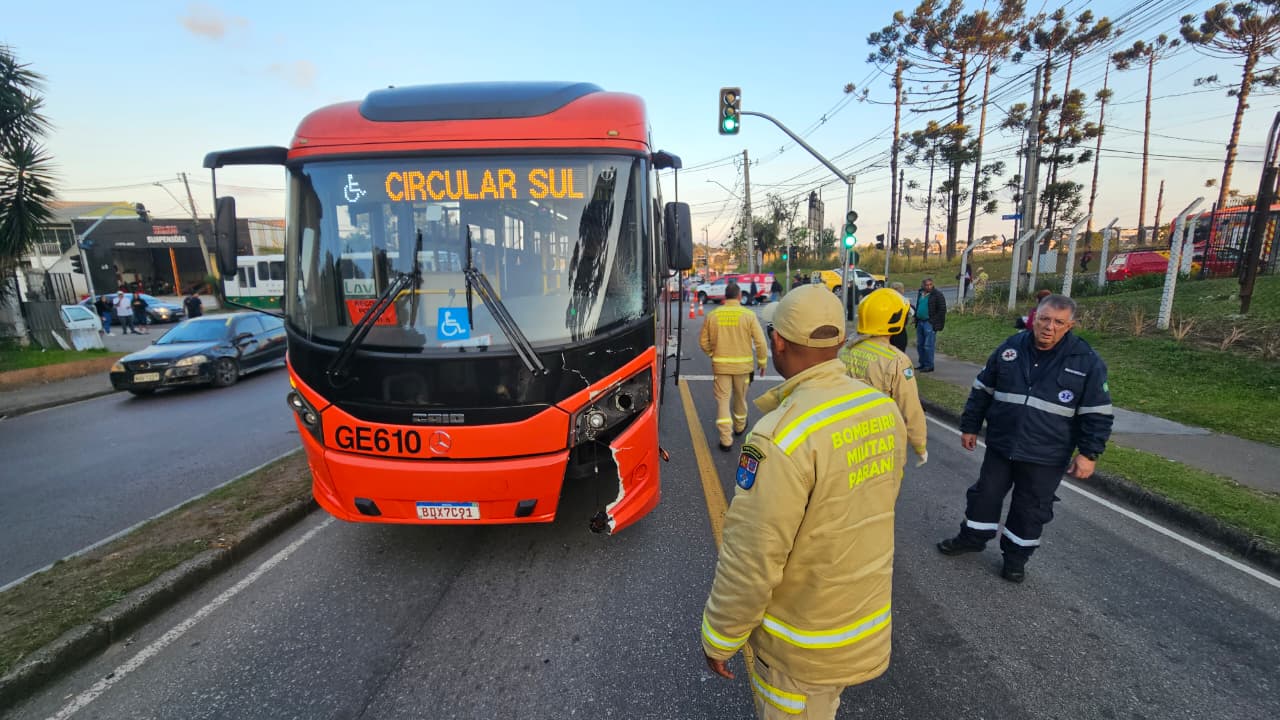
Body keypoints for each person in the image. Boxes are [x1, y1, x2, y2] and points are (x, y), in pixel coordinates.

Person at [700, 284, 906, 719]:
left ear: (777, 340)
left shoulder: (781, 436)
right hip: (860, 622)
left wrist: (720, 636)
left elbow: (753, 557)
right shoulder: (882, 410)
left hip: (801, 645)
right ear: (840, 341)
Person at [937, 294, 1113, 583]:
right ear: (1034, 317)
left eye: (1058, 322)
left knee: (1031, 509)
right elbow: (982, 389)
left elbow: (1097, 413)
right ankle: (972, 538)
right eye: (1044, 319)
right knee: (984, 496)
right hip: (1002, 445)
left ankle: (1016, 558)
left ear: (1070, 325)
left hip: (1047, 453)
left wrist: (1089, 454)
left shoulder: (1086, 361)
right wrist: (970, 426)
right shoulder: (1011, 347)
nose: (1049, 327)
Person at [840, 288, 928, 468]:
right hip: (879, 443)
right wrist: (920, 446)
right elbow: (910, 408)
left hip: (843, 438)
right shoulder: (897, 362)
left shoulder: (845, 351)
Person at [699, 281, 769, 452]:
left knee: (722, 401)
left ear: (725, 296)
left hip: (721, 367)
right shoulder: (748, 315)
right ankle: (739, 427)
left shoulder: (713, 315)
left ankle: (726, 440)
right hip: (743, 368)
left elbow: (703, 342)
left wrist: (713, 355)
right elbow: (760, 342)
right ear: (739, 296)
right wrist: (762, 362)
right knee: (740, 399)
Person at [913, 277, 946, 372]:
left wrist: (933, 321)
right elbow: (918, 305)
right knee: (920, 344)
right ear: (923, 285)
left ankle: (929, 365)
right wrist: (916, 316)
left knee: (928, 345)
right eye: (926, 285)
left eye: (930, 284)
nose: (928, 286)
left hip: (929, 322)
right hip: (920, 321)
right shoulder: (920, 293)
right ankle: (922, 364)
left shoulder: (937, 294)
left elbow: (942, 310)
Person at [887, 282, 910, 352]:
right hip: (900, 331)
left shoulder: (887, 301)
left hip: (888, 333)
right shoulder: (904, 302)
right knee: (900, 354)